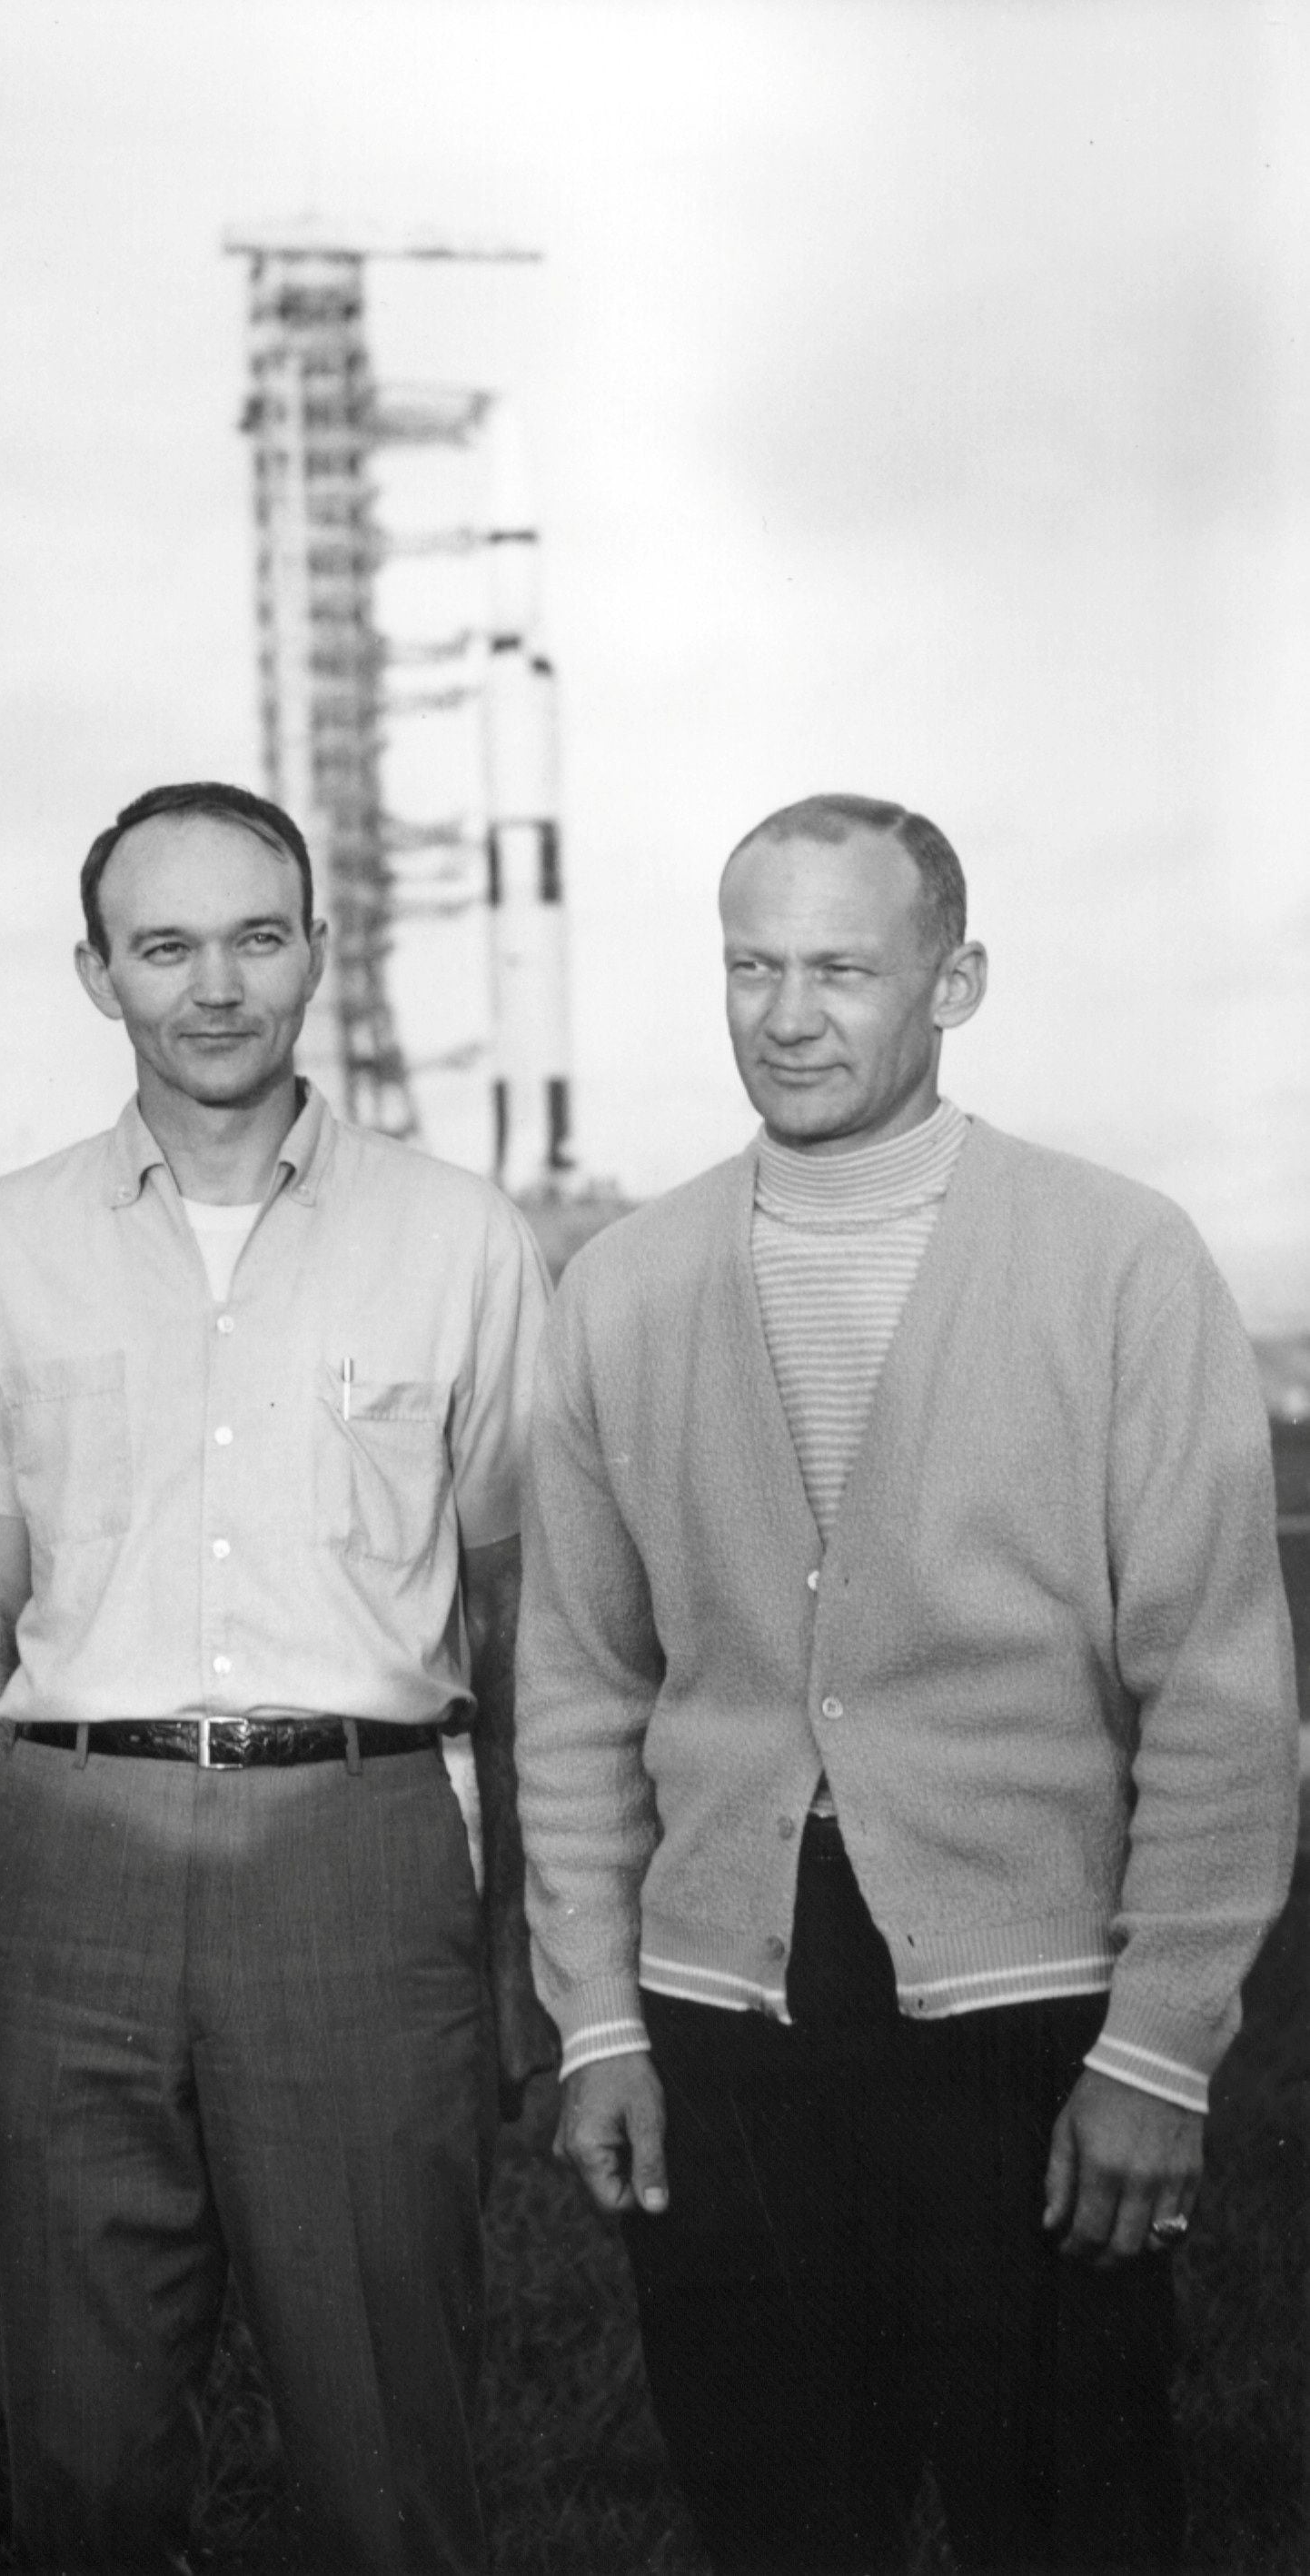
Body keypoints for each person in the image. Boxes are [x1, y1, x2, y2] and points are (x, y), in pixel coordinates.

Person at [515, 792, 1298, 2574]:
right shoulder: (624, 1286)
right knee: (782, 2515)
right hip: (724, 2005)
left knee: (1072, 2512)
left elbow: (1226, 1699)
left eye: (844, 967)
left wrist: (1162, 2049)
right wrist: (603, 2020)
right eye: (751, 965)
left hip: (1031, 2002)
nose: (788, 1015)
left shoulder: (1119, 1257)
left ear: (957, 981)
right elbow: (570, 1687)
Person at [0, 780, 557, 2574]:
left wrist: (516, 1938)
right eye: (165, 942)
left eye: (256, 936)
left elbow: (517, 1617)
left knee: (388, 2444)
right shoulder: (0, 1243)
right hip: (76, 1857)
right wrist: (10, 1807)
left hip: (357, 1846)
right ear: (97, 971)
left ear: (319, 955)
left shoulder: (463, 1239)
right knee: (89, 2448)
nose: (215, 984)